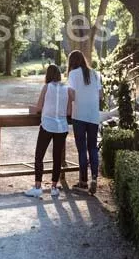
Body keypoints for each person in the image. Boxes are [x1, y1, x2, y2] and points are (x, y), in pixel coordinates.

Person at [25, 64, 74, 199]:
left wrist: (31, 109)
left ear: (48, 75)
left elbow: (38, 107)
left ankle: (37, 187)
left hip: (47, 125)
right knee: (57, 158)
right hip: (62, 127)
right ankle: (53, 187)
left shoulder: (46, 87)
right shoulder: (67, 89)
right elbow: (69, 112)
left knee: (39, 156)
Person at [66, 50, 102, 195]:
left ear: (71, 62)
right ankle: (94, 178)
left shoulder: (73, 74)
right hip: (93, 116)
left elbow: (72, 96)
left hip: (79, 115)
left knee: (82, 149)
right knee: (92, 147)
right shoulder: (95, 73)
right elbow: (100, 95)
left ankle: (83, 181)